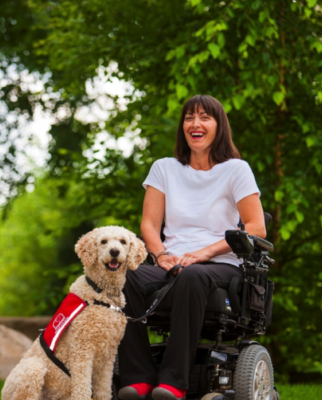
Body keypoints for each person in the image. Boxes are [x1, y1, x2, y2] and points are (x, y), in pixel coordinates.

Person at [117, 95, 266, 400]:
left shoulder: (236, 170)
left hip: (219, 264)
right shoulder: (164, 168)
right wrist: (159, 255)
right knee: (122, 275)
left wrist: (205, 253)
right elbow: (149, 225)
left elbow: (256, 227)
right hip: (170, 262)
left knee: (192, 276)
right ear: (182, 126)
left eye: (204, 117)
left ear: (218, 126)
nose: (195, 124)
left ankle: (173, 383)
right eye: (189, 118)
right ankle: (139, 377)